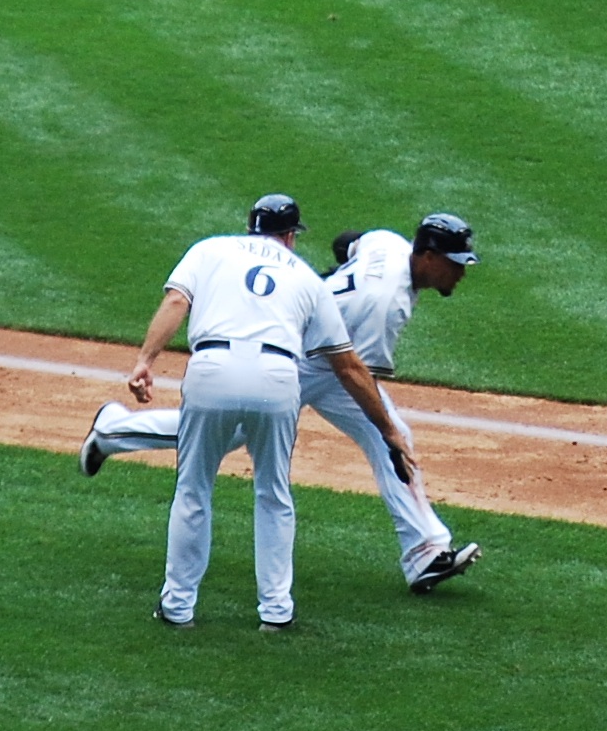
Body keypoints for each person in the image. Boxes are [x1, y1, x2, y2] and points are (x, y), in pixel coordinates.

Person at [82, 212, 482, 594]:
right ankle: (112, 430)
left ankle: (425, 550)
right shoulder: (385, 307)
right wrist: (387, 428)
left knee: (391, 438)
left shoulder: (388, 243)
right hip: (302, 359)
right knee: (235, 434)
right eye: (455, 262)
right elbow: (356, 374)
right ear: (428, 257)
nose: (461, 272)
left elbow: (346, 243)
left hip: (325, 353)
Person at [108, 194, 414, 631]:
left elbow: (176, 303)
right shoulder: (306, 277)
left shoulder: (210, 249)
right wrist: (388, 429)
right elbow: (348, 366)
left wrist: (145, 361)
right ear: (290, 236)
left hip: (211, 370)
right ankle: (276, 610)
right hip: (277, 377)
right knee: (273, 494)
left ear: (252, 226)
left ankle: (177, 607)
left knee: (193, 489)